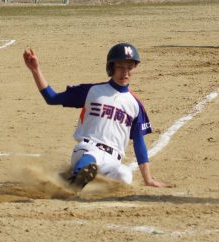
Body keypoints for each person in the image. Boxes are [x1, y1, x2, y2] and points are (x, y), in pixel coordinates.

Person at [22, 43, 169, 191]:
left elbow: (139, 143)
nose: (125, 72)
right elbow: (52, 98)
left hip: (112, 161)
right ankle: (74, 183)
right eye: (120, 66)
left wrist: (148, 179)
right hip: (87, 149)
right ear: (111, 67)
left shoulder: (135, 105)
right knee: (91, 159)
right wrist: (35, 70)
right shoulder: (92, 91)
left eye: (130, 67)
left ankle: (77, 178)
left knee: (125, 176)